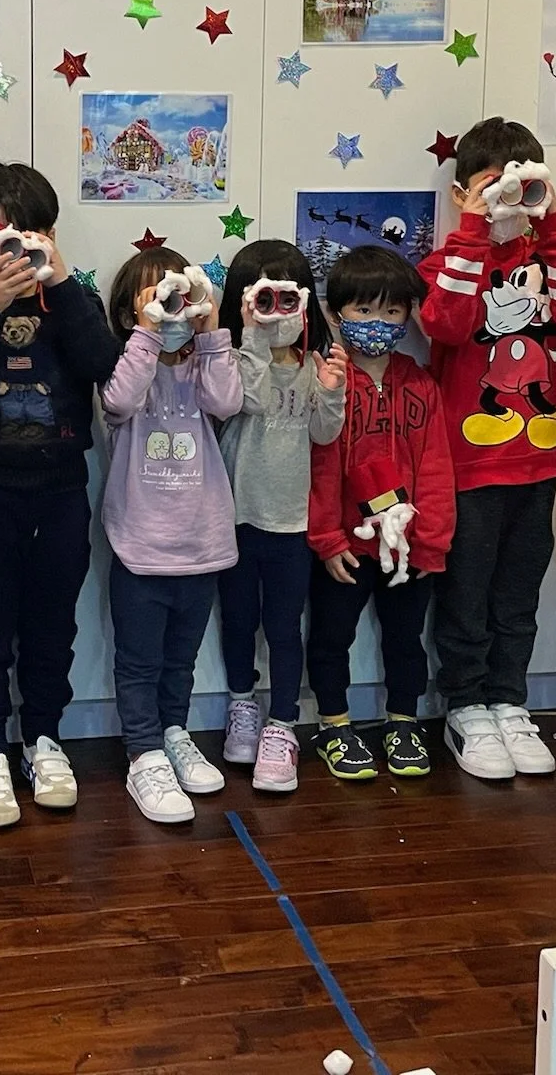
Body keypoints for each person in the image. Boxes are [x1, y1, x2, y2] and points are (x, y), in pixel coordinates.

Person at [0, 162, 121, 826]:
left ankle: (45, 739)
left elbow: (103, 366)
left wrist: (61, 282)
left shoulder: (74, 303)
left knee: (52, 629)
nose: (16, 251)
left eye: (32, 234)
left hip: (61, 491)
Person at [418, 117, 556, 781]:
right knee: (466, 592)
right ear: (462, 192)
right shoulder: (446, 264)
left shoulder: (551, 259)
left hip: (538, 457)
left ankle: (508, 699)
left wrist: (550, 223)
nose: (507, 199)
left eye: (519, 185)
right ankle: (465, 705)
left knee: (519, 592)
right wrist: (474, 227)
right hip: (467, 463)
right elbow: (444, 323)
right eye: (492, 186)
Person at [100, 245, 243, 823]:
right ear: (129, 313)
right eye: (157, 298)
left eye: (179, 296)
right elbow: (119, 403)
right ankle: (143, 752)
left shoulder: (204, 364)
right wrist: (147, 332)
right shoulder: (124, 365)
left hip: (201, 544)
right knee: (138, 662)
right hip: (140, 547)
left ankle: (173, 732)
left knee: (180, 661)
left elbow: (227, 400)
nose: (171, 308)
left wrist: (210, 330)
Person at [305, 246, 456, 785]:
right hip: (344, 547)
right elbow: (319, 466)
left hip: (407, 547)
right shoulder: (326, 382)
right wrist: (326, 538)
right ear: (336, 313)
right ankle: (333, 725)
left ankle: (403, 722)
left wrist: (431, 541)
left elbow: (436, 465)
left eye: (392, 311)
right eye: (364, 310)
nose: (378, 322)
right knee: (331, 637)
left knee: (405, 640)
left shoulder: (420, 384)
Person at [215, 239, 346, 793]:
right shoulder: (232, 360)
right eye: (261, 298)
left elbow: (325, 434)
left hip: (291, 523)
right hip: (238, 519)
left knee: (284, 628)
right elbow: (249, 400)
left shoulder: (314, 366)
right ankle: (242, 704)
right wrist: (252, 337)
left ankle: (283, 723)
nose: (275, 311)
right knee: (238, 620)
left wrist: (334, 391)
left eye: (285, 298)